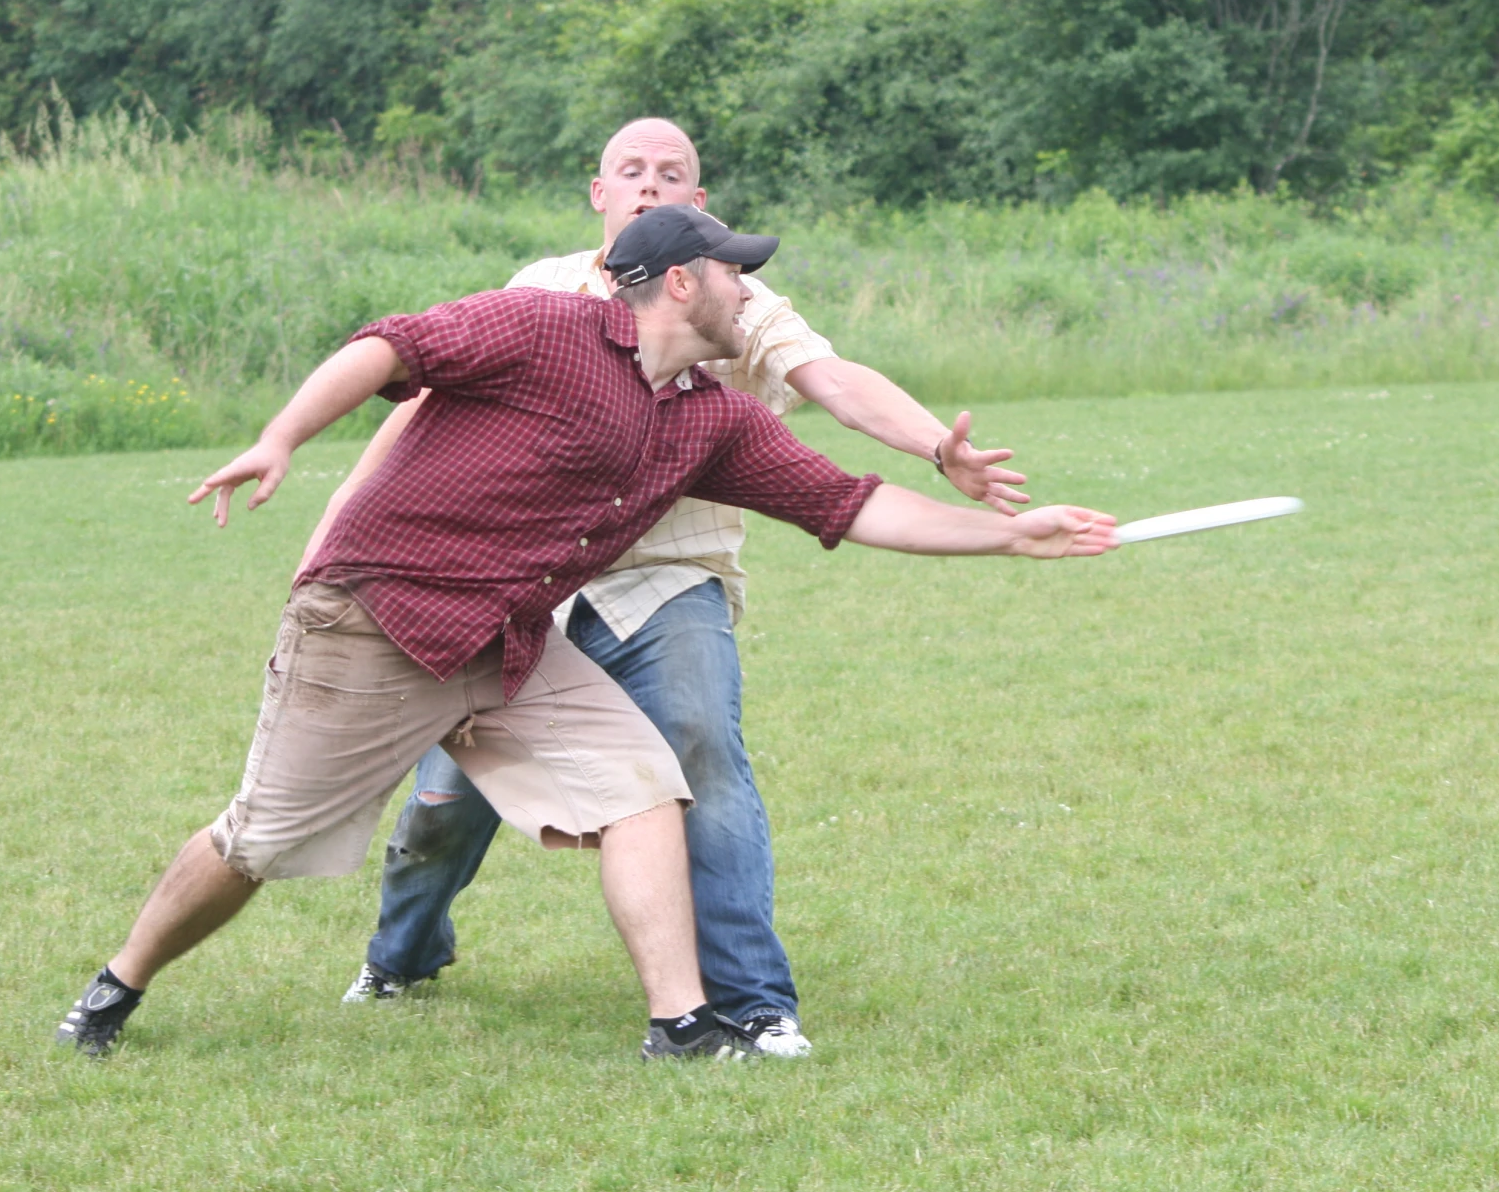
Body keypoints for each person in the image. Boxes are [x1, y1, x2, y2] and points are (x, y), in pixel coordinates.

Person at [56, 206, 1116, 1062]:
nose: (751, 292)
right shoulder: (544, 328)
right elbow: (388, 346)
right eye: (736, 272)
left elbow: (850, 502)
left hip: (507, 643)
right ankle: (117, 984)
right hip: (376, 622)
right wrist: (280, 435)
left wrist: (1005, 536)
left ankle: (682, 1026)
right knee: (260, 841)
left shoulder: (711, 416)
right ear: (683, 282)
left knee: (644, 786)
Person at [303, 119, 1017, 1059]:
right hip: (523, 587)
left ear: (698, 206)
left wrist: (936, 445)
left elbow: (832, 380)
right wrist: (334, 529)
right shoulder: (539, 291)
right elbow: (423, 416)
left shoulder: (737, 299)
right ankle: (401, 956)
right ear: (597, 193)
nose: (648, 184)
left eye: (670, 173)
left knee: (699, 749)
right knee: (446, 797)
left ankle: (755, 1005)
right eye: (629, 171)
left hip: (671, 579)